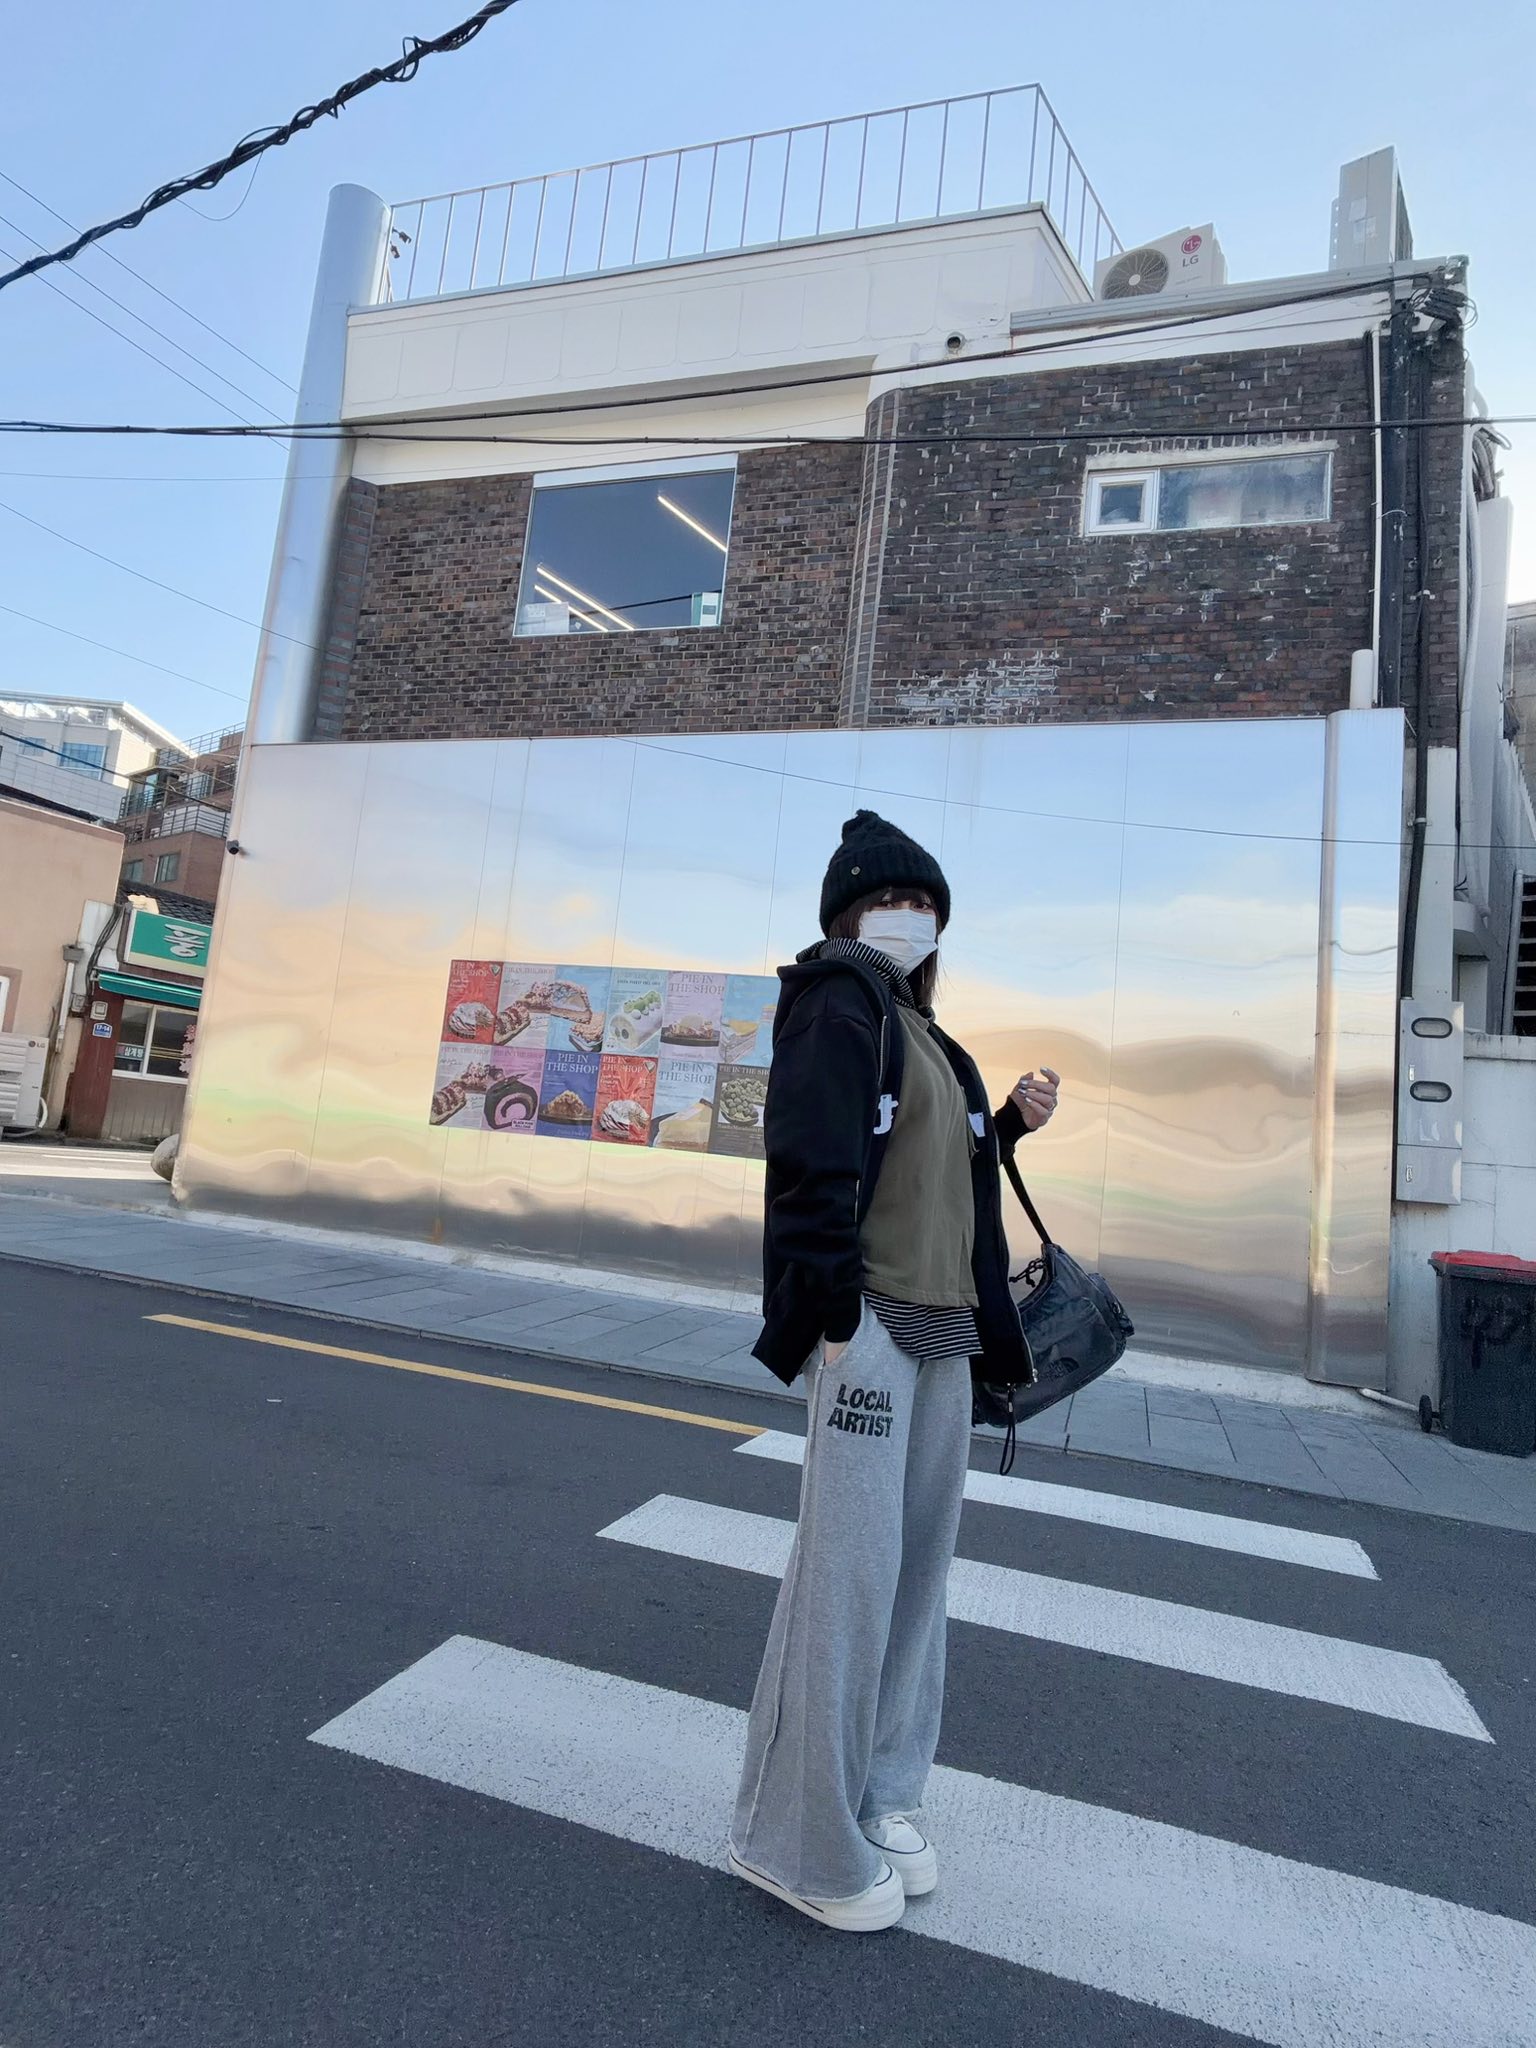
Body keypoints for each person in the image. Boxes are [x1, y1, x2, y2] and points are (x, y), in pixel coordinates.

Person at [728, 809, 1059, 1933]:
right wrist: (830, 1315)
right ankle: (796, 1839)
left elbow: (939, 1165)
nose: (910, 917)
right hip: (868, 1324)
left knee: (916, 1579)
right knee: (850, 1581)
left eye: (925, 904)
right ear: (847, 915)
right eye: (890, 900)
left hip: (946, 1332)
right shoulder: (838, 999)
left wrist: (1005, 1122)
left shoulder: (926, 1032)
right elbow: (808, 1160)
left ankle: (883, 1792)